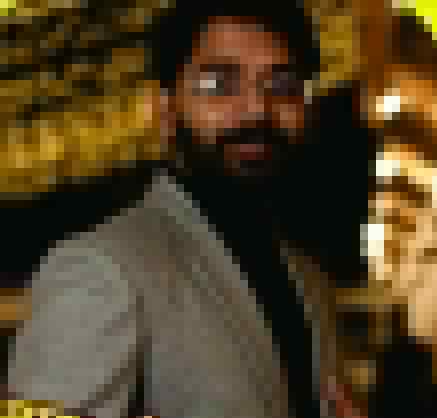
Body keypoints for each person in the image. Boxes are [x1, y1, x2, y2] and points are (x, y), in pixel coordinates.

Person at [7, 0, 344, 417]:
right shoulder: (101, 269)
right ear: (164, 110)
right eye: (219, 85)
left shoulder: (309, 283)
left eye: (282, 86)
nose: (257, 110)